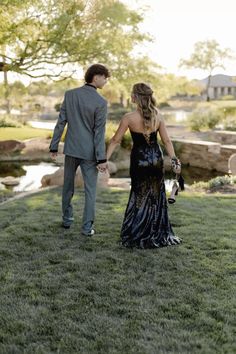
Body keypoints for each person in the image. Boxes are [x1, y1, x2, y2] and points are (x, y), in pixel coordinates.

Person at [106, 83, 182, 248]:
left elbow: (115, 140)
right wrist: (175, 160)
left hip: (139, 160)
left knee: (139, 194)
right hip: (156, 160)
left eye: (132, 94)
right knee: (156, 195)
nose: (130, 96)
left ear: (135, 97)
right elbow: (167, 141)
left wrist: (104, 159)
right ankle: (156, 231)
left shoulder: (128, 118)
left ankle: (139, 231)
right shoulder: (158, 116)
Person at [49, 64, 110, 236]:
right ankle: (86, 228)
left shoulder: (70, 95)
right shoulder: (101, 102)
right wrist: (101, 158)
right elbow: (99, 133)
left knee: (68, 187)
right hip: (90, 153)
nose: (106, 82)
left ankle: (67, 220)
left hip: (71, 149)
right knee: (90, 191)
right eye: (105, 78)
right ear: (96, 77)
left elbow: (61, 123)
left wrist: (54, 146)